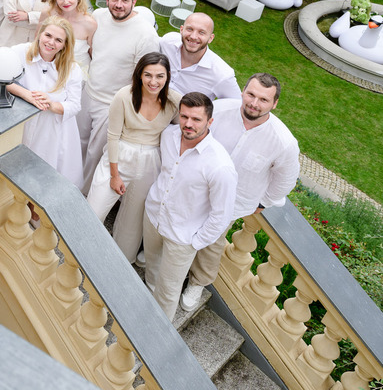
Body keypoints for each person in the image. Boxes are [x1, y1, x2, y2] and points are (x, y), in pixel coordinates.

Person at [179, 73, 299, 312]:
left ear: (274, 104)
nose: (254, 103)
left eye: (263, 100)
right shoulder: (220, 111)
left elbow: (286, 179)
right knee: (179, 221)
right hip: (195, 185)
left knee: (212, 242)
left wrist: (264, 202)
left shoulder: (283, 141)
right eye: (251, 94)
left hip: (233, 201)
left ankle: (197, 282)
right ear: (243, 91)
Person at [143, 93, 237, 321]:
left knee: (168, 291)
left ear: (210, 122)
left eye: (196, 119)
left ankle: (158, 331)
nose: (188, 124)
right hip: (154, 216)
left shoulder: (220, 166)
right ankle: (146, 304)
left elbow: (221, 216)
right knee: (152, 270)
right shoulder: (168, 136)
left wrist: (195, 242)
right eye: (184, 116)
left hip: (182, 237)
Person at [87, 53, 182, 262]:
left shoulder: (174, 101)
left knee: (133, 218)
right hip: (120, 155)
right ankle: (81, 252)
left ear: (167, 77)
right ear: (139, 75)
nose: (153, 81)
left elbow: (183, 129)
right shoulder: (124, 96)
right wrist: (114, 175)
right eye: (148, 75)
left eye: (160, 76)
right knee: (95, 209)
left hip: (151, 162)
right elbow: (112, 136)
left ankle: (119, 261)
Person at [0, 16, 84, 189]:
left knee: (40, 181)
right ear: (40, 34)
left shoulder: (72, 69)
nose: (51, 42)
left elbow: (75, 105)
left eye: (58, 40)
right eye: (48, 35)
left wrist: (51, 104)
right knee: (13, 174)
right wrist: (25, 94)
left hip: (50, 133)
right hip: (20, 126)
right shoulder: (19, 52)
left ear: (65, 45)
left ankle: (34, 216)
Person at [78, 0, 159, 192]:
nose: (119, 4)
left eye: (125, 0)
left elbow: (143, 77)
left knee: (95, 153)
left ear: (134, 2)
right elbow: (92, 49)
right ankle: (67, 179)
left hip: (111, 103)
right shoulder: (98, 16)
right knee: (77, 142)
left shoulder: (146, 34)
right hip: (88, 91)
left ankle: (81, 192)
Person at [158, 12, 239, 100]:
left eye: (201, 32)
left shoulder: (221, 74)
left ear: (210, 38)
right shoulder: (168, 42)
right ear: (181, 30)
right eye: (189, 29)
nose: (193, 36)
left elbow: (237, 104)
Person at [44, 0, 97, 80]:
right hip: (51, 71)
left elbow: (93, 53)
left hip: (79, 74)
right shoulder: (48, 14)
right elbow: (38, 43)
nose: (65, 1)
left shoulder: (89, 23)